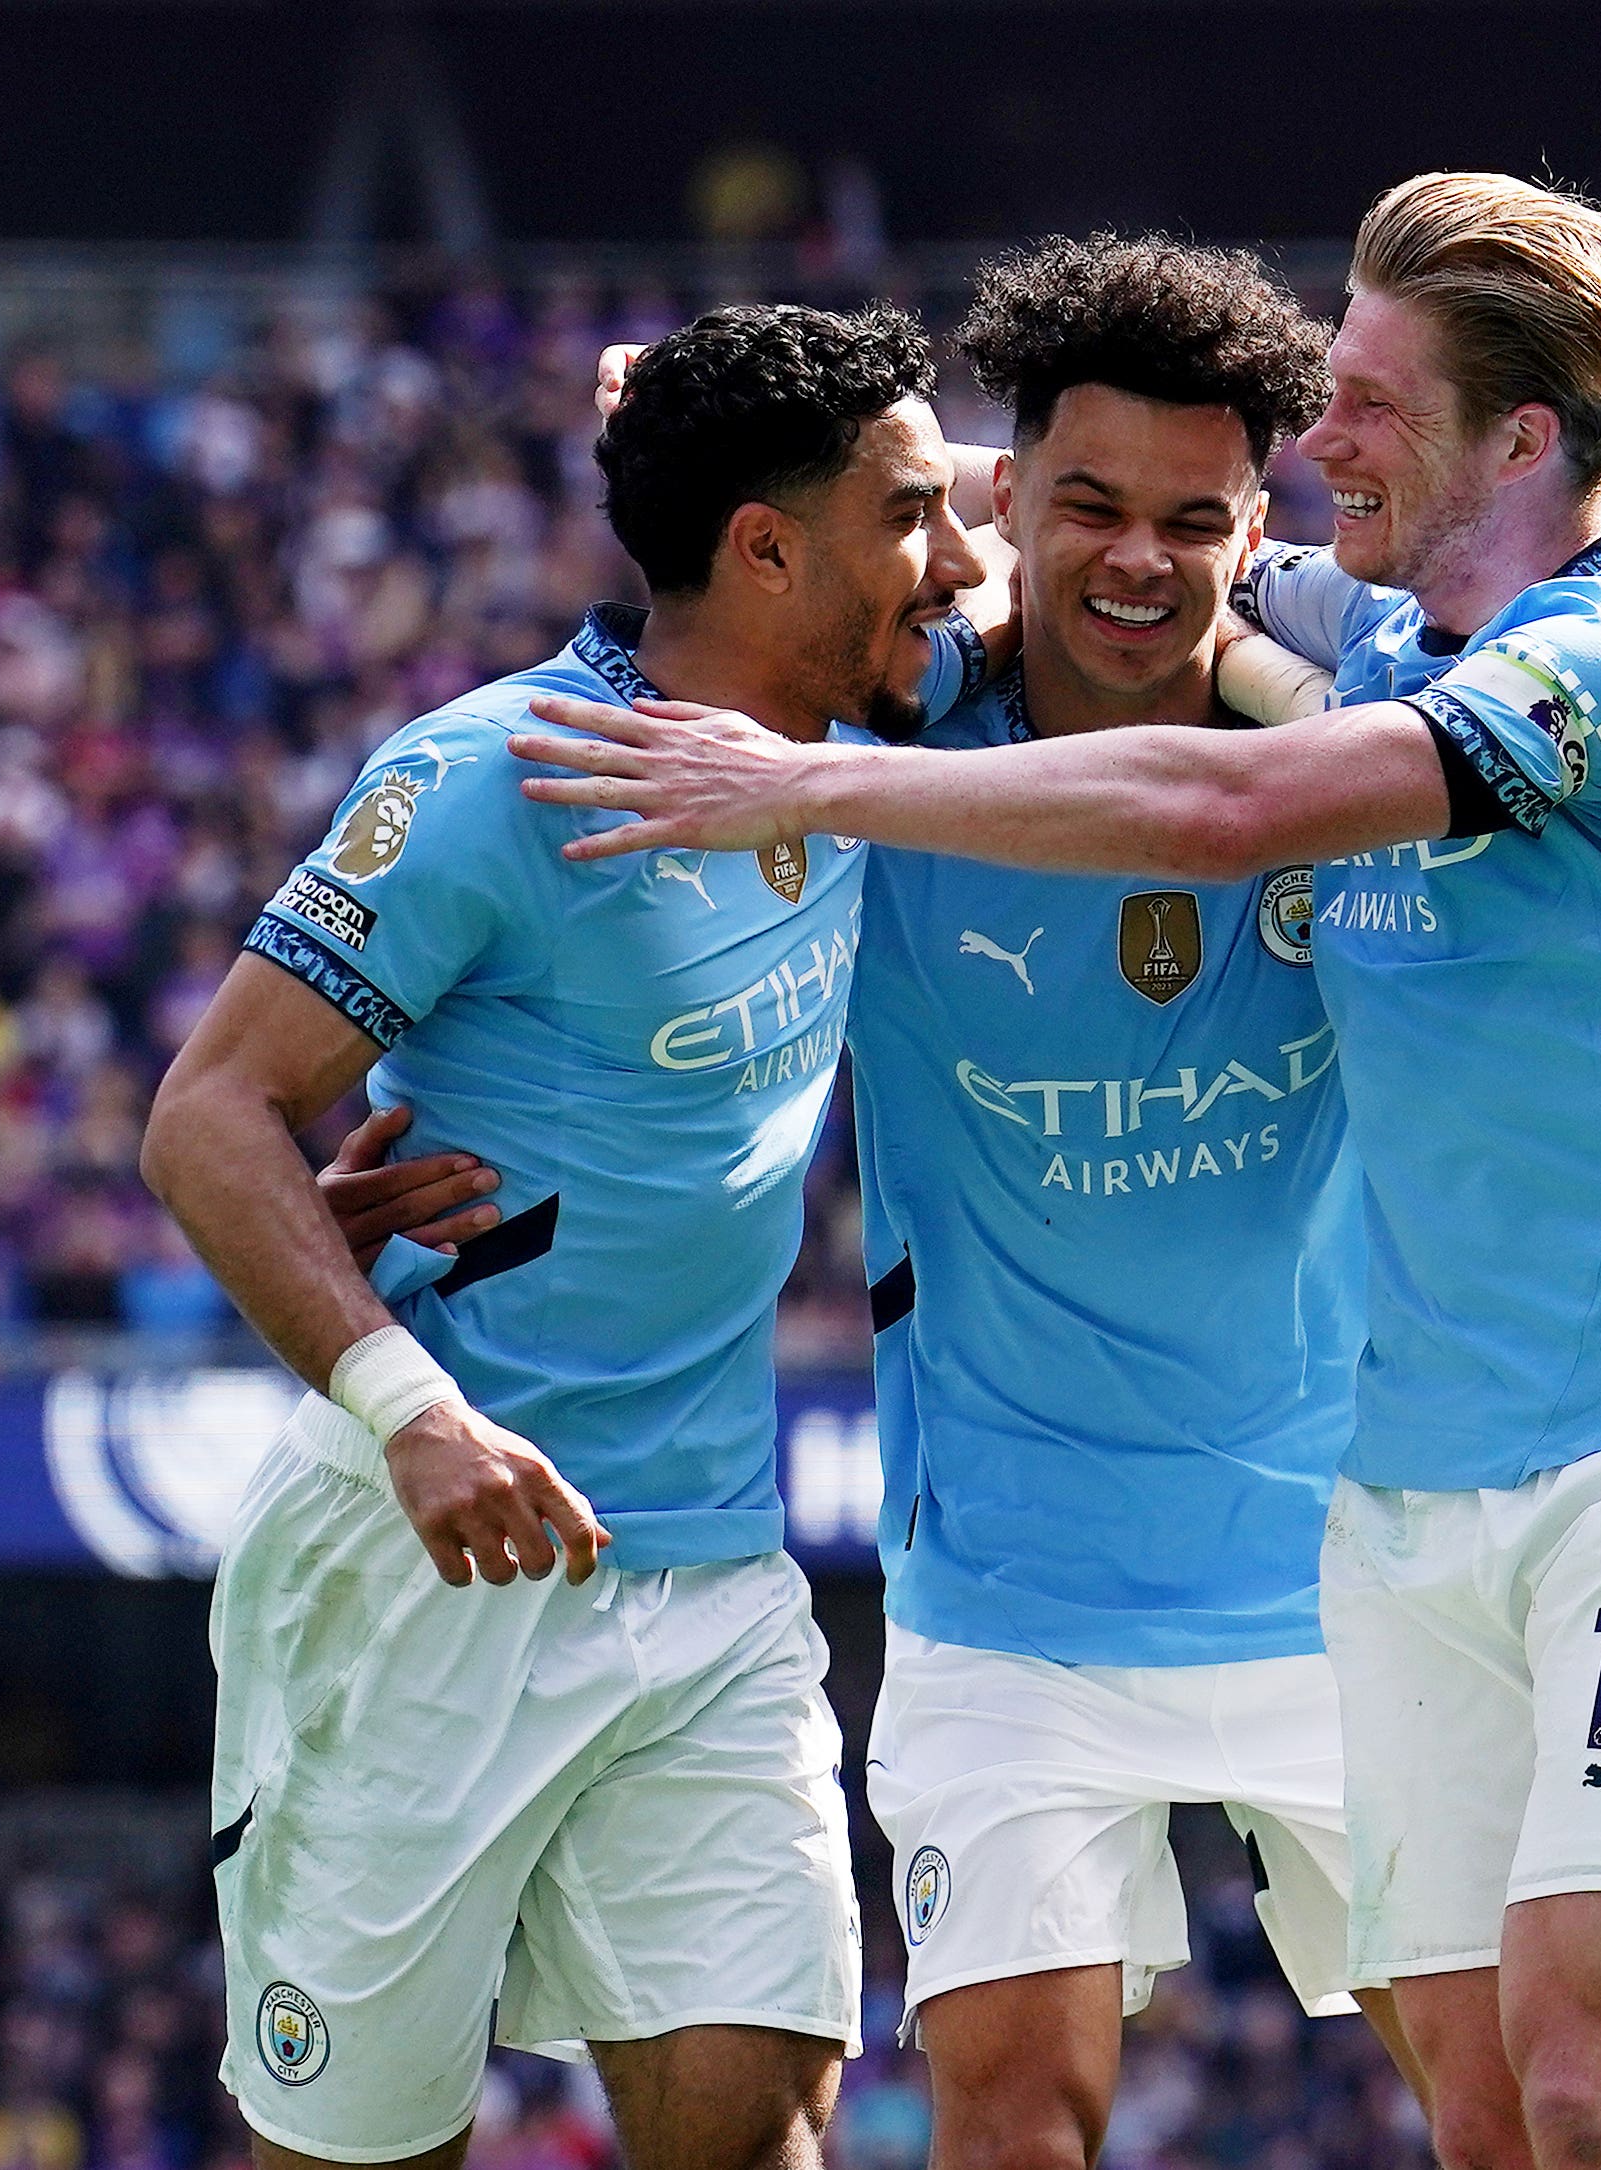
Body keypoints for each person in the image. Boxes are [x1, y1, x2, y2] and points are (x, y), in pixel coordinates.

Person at [366, 234, 1601, 2170]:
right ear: (1006, 503)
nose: (1146, 558)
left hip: (1331, 1551)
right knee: (1032, 2121)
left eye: (1212, 512)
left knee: (1534, 2093)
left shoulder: (1356, 725)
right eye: (1082, 508)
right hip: (1015, 1589)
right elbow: (612, 940)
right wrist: (414, 1129)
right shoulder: (930, 714)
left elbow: (1581, 970)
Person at [141, 302, 992, 2170]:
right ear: (766, 552)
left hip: (712, 1567)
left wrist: (696, 417)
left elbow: (1132, 527)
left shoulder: (863, 724)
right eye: (917, 512)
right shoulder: (485, 781)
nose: (961, 562)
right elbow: (207, 1114)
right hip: (427, 1571)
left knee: (765, 2127)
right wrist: (407, 1403)